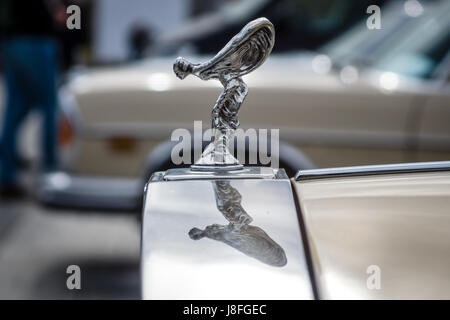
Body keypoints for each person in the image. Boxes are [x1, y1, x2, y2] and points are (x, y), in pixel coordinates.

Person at [0, 0, 66, 198]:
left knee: (17, 107)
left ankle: (7, 172)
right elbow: (58, 14)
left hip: (13, 44)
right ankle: (50, 171)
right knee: (49, 105)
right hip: (36, 42)